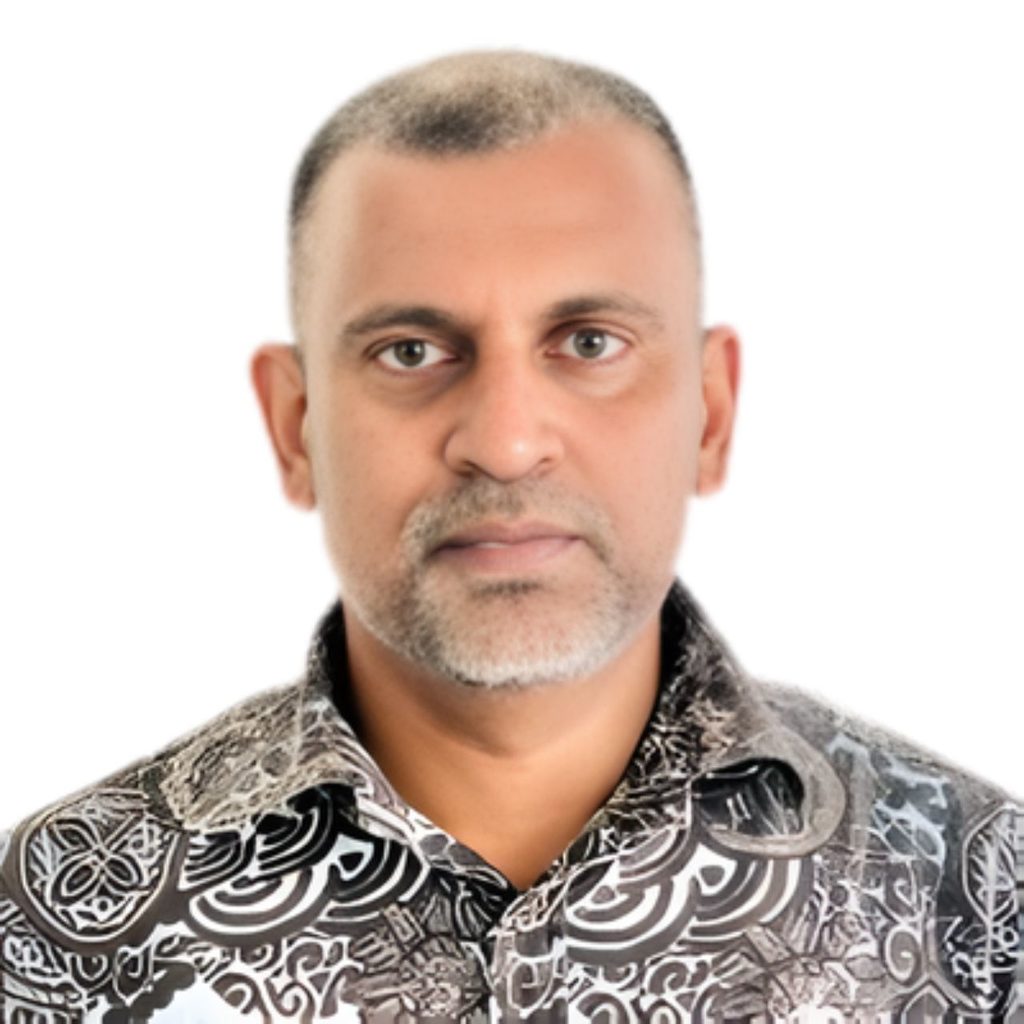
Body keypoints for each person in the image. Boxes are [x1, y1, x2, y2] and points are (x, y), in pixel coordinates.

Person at [0, 49, 1020, 1024]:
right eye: (411, 350)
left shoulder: (984, 906)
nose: (505, 441)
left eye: (589, 343)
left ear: (710, 416)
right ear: (293, 427)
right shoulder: (42, 925)